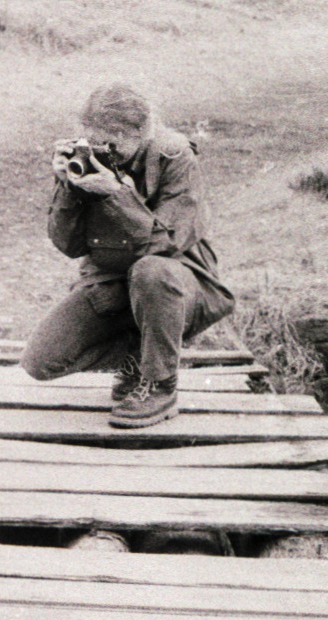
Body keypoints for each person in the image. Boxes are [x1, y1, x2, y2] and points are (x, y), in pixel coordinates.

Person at [22, 83, 235, 428]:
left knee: (151, 271)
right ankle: (139, 357)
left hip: (179, 287)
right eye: (96, 138)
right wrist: (67, 187)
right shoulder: (92, 160)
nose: (105, 148)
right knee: (41, 360)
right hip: (114, 287)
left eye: (115, 137)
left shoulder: (175, 156)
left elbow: (166, 243)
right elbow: (69, 246)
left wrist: (117, 195)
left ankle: (160, 385)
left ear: (142, 130)